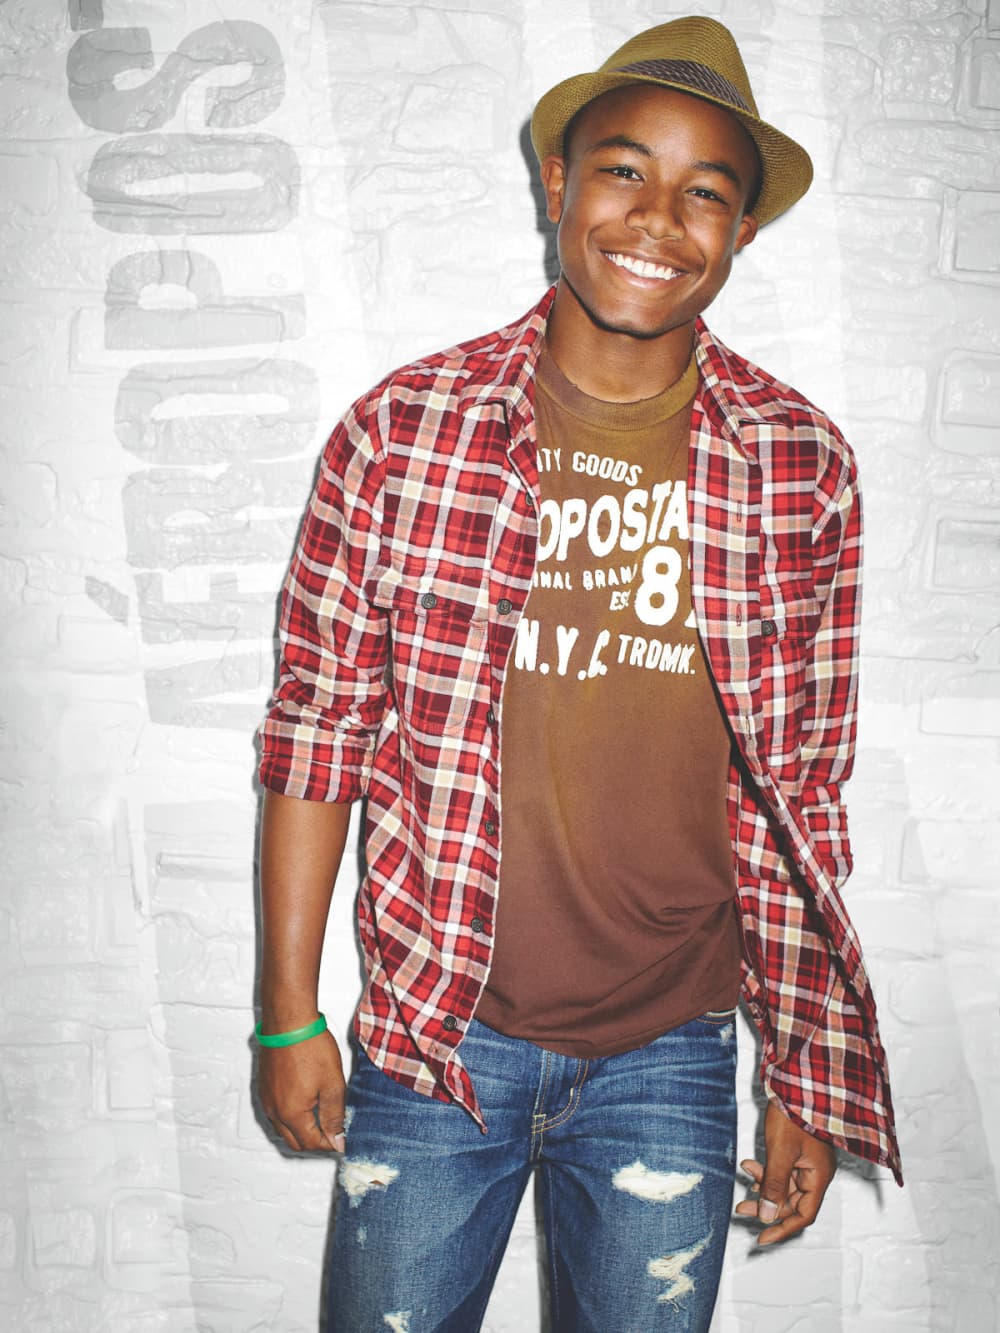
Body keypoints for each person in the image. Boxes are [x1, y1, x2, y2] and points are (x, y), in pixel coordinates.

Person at [255, 17, 902, 1331]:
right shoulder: (403, 433)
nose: (658, 219)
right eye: (622, 171)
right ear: (556, 182)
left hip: (673, 1047)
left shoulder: (801, 464)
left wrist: (804, 1067)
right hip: (438, 1031)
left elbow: (803, 792)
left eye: (705, 192)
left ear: (743, 230)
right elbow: (318, 734)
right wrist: (287, 1014)